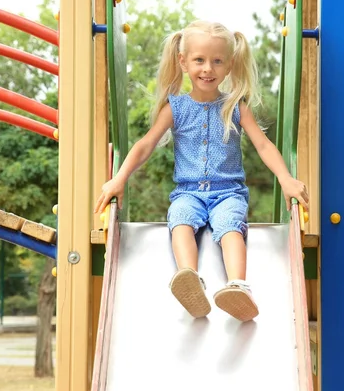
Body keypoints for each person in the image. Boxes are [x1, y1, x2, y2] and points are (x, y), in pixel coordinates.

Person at [94, 20, 309, 322]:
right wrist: (119, 179)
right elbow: (145, 145)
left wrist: (286, 179)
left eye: (217, 61)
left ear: (229, 65)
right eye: (199, 60)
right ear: (183, 62)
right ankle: (189, 278)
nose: (208, 68)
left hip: (228, 193)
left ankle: (238, 286)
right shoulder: (176, 108)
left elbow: (263, 145)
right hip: (188, 192)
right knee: (180, 219)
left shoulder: (235, 106)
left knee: (230, 227)